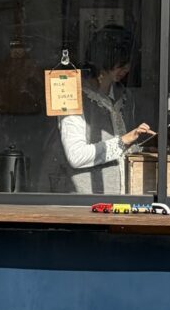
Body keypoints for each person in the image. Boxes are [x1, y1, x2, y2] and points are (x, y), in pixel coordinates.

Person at [59, 25, 153, 193]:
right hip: (86, 199)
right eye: (121, 63)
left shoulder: (125, 96)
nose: (127, 68)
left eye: (128, 62)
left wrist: (146, 147)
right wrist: (123, 141)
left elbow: (126, 147)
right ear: (104, 59)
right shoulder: (72, 95)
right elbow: (75, 155)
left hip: (124, 196)